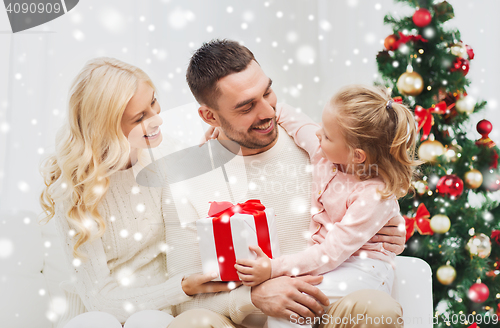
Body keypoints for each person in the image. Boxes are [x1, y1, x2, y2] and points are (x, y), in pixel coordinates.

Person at [161, 40, 406, 328]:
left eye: (267, 92)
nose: (268, 112)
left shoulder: (318, 148)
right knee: (191, 323)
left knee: (377, 309)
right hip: (240, 319)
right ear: (210, 116)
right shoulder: (187, 180)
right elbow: (184, 296)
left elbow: (371, 191)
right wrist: (254, 298)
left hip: (319, 306)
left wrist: (392, 227)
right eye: (246, 107)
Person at [39, 57, 238, 328]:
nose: (156, 119)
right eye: (139, 117)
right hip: (93, 312)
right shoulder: (74, 188)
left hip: (155, 310)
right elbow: (98, 299)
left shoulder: (166, 152)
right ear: (105, 128)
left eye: (153, 102)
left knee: (147, 322)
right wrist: (180, 288)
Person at [233, 85, 420, 328]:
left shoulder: (374, 195)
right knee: (289, 306)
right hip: (332, 266)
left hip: (365, 271)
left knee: (290, 304)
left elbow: (331, 252)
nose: (318, 135)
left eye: (328, 135)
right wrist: (224, 126)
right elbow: (291, 118)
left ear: (357, 155)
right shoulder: (325, 155)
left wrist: (273, 268)